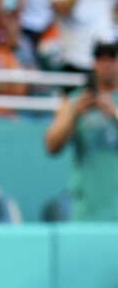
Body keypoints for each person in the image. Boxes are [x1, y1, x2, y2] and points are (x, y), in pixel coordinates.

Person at [44, 40, 118, 220]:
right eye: (101, 58)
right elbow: (51, 146)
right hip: (87, 208)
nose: (106, 64)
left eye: (112, 58)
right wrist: (73, 115)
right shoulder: (76, 100)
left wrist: (114, 114)